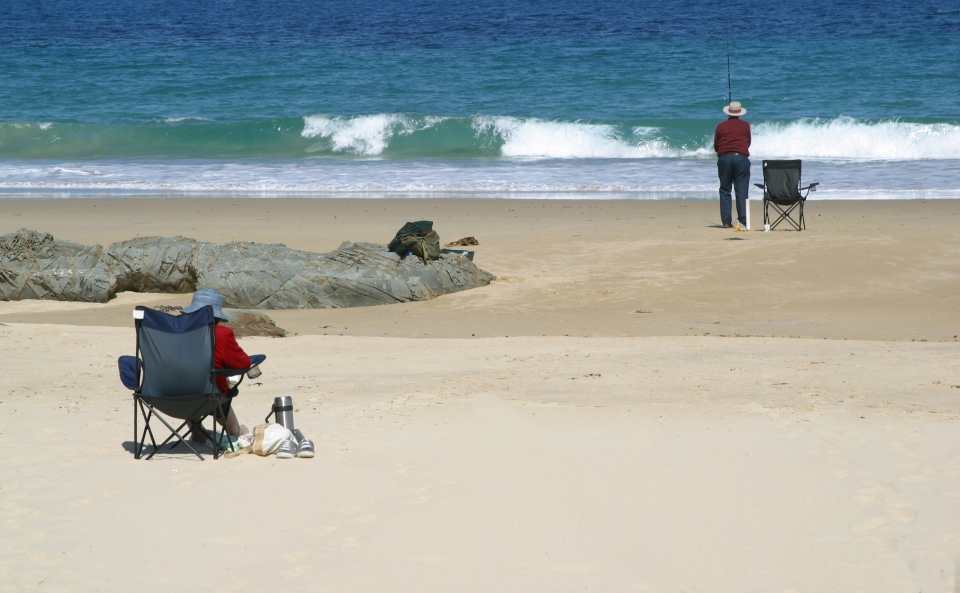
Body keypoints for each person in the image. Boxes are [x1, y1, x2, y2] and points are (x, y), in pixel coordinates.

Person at [180, 289, 251, 441]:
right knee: (217, 390)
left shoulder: (176, 331)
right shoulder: (221, 334)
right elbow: (242, 363)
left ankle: (196, 430)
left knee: (189, 381)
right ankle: (236, 431)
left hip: (170, 395)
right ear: (216, 316)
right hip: (210, 396)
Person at [714, 100, 751, 229]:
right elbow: (748, 143)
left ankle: (726, 221)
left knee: (725, 190)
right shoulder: (746, 125)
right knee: (741, 191)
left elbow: (716, 146)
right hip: (741, 159)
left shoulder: (720, 126)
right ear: (740, 113)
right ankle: (742, 220)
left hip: (724, 159)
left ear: (728, 113)